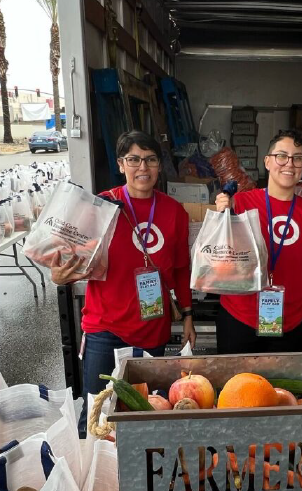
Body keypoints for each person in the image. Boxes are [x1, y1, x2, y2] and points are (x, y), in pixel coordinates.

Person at [51, 130, 196, 436]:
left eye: (151, 160)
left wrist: (187, 316)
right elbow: (69, 257)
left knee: (145, 410)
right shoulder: (100, 207)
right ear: (121, 164)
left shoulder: (174, 213)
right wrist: (59, 276)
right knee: (96, 413)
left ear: (159, 166)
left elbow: (182, 270)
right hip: (105, 327)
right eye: (134, 159)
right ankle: (89, 477)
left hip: (152, 328)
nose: (143, 168)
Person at [214, 130, 302, 354]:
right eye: (281, 156)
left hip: (291, 323)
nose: (289, 164)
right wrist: (222, 214)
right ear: (267, 162)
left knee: (282, 388)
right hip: (239, 318)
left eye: (297, 158)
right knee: (234, 387)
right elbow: (218, 254)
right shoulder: (239, 204)